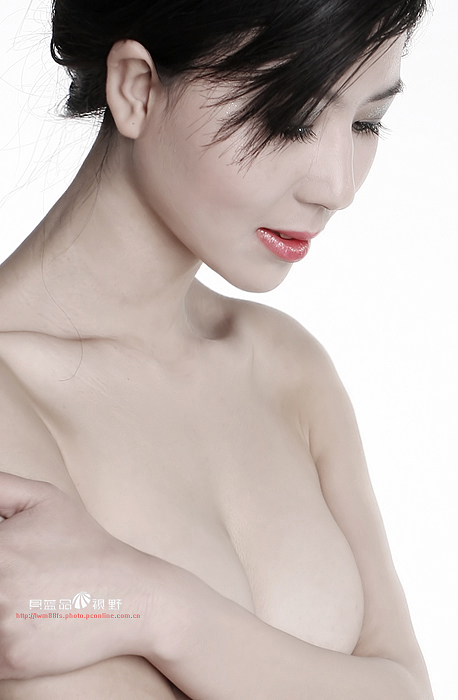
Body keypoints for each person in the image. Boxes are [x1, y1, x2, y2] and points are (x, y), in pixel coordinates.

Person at [0, 0, 434, 698]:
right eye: (289, 117)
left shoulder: (286, 366)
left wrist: (158, 610)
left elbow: (406, 686)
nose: (338, 187)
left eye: (365, 123)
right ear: (138, 88)